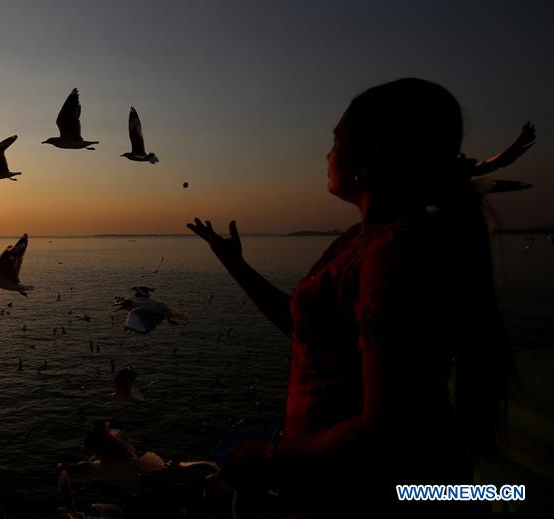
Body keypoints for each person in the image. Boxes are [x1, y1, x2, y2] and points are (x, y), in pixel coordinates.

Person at [189, 78, 535, 516]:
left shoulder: (392, 255)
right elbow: (302, 327)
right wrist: (234, 263)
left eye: (335, 140)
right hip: (350, 482)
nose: (327, 154)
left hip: (376, 493)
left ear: (372, 154)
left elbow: (387, 428)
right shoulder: (362, 241)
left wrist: (272, 457)